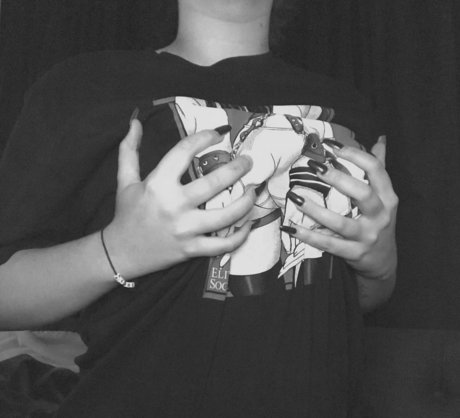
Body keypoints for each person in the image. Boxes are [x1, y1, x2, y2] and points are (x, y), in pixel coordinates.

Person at [0, 0, 398, 416]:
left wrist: (380, 265)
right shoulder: (85, 87)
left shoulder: (347, 106)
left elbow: (357, 299)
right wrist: (117, 251)